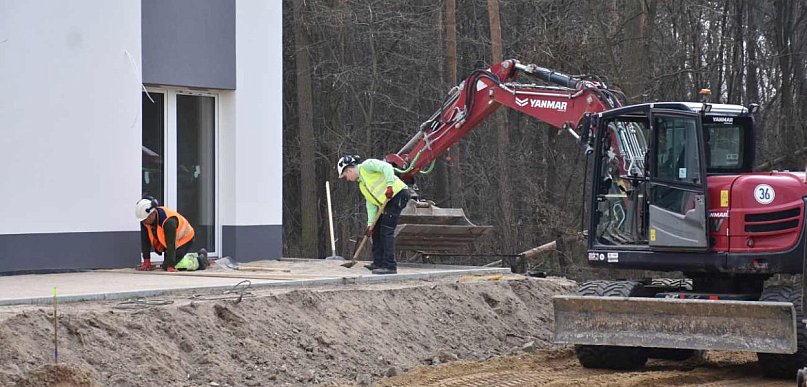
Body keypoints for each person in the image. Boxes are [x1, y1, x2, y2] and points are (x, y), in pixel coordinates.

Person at [337, 155, 410, 275]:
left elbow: (387, 167)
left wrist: (389, 185)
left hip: (398, 194)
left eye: (345, 176)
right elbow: (370, 204)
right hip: (387, 201)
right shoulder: (362, 185)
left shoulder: (367, 165)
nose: (348, 179)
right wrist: (370, 225)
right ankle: (378, 262)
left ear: (349, 170)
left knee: (386, 230)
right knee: (376, 230)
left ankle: (390, 266)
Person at [135, 196, 197, 272]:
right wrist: (146, 261)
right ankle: (180, 260)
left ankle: (199, 260)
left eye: (145, 219)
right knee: (167, 263)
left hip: (186, 239)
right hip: (173, 242)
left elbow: (171, 244)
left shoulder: (168, 222)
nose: (143, 222)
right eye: (142, 220)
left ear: (152, 214)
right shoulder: (145, 221)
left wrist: (170, 266)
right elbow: (145, 240)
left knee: (167, 265)